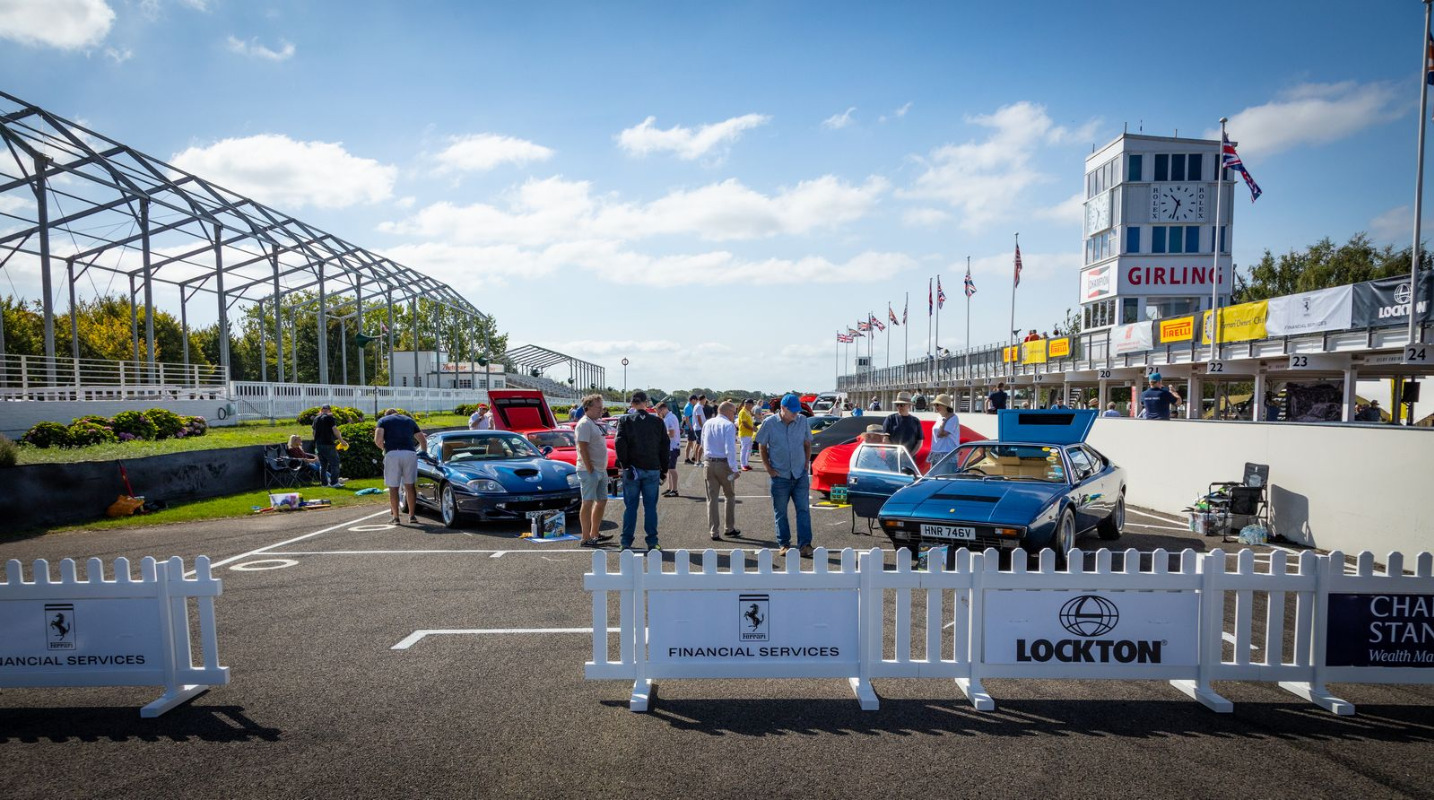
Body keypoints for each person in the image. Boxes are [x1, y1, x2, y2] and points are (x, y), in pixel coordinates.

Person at [755, 393, 814, 558]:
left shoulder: (802, 421)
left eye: (797, 410)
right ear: (782, 408)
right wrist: (768, 468)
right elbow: (762, 446)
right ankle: (784, 544)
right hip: (779, 476)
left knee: (803, 510)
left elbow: (807, 443)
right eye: (792, 410)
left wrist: (806, 463)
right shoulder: (769, 423)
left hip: (799, 474)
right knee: (780, 512)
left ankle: (805, 545)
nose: (796, 413)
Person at [614, 390, 668, 551]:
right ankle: (652, 541)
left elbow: (619, 443)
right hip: (652, 468)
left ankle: (625, 541)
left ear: (632, 403)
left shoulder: (625, 420)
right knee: (650, 507)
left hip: (632, 469)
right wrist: (664, 469)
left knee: (630, 506)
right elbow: (664, 447)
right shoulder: (657, 421)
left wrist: (624, 464)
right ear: (646, 403)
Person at [374, 408, 427, 525]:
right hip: (410, 453)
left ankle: (396, 517)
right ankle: (412, 516)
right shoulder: (409, 420)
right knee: (410, 486)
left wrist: (384, 448)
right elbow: (422, 440)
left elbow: (378, 440)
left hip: (392, 453)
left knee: (393, 487)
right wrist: (424, 452)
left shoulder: (383, 421)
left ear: (386, 415)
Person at [574, 394, 613, 548]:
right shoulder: (584, 424)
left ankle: (594, 533)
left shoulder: (593, 423)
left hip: (600, 469)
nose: (601, 410)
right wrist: (590, 467)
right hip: (589, 470)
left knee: (602, 501)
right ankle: (585, 537)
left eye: (601, 407)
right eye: (598, 407)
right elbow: (582, 447)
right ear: (588, 407)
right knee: (588, 502)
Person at [702, 401, 742, 541]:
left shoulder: (708, 423)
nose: (734, 415)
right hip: (724, 465)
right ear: (729, 412)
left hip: (709, 463)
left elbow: (702, 443)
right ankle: (729, 528)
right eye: (734, 412)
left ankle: (714, 531)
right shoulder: (729, 425)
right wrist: (735, 469)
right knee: (729, 495)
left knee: (712, 498)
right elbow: (730, 449)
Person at [311, 404, 346, 487]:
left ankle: (324, 484)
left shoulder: (316, 419)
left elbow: (314, 432)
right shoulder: (330, 418)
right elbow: (335, 430)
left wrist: (316, 442)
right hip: (328, 444)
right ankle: (334, 483)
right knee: (335, 463)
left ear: (321, 410)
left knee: (323, 465)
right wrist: (341, 440)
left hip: (318, 444)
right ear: (329, 410)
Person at [883, 392, 923, 457]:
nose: (899, 407)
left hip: (910, 458)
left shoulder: (916, 421)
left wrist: (910, 456)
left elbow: (920, 441)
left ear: (909, 406)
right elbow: (885, 439)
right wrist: (895, 453)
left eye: (902, 405)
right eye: (897, 405)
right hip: (892, 457)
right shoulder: (890, 419)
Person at [657, 400, 682, 497]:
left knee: (672, 469)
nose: (659, 414)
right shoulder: (669, 417)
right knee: (669, 468)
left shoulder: (670, 418)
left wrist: (660, 435)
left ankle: (675, 490)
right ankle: (670, 488)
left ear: (663, 409)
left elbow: (671, 433)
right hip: (671, 446)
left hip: (672, 447)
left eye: (659, 412)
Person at [929, 393, 960, 464]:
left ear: (945, 406)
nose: (935, 406)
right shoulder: (939, 417)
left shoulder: (953, 418)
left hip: (947, 453)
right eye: (935, 404)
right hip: (936, 452)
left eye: (937, 404)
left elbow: (941, 434)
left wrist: (945, 420)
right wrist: (945, 419)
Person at [736, 398, 757, 472]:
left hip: (749, 434)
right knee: (744, 450)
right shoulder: (743, 412)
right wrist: (752, 428)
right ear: (747, 404)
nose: (752, 406)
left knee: (748, 450)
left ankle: (746, 464)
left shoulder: (747, 411)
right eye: (751, 405)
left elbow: (749, 422)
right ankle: (743, 465)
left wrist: (754, 427)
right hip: (744, 433)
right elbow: (744, 423)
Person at [686, 394, 707, 464]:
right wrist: (702, 427)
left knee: (697, 444)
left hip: (697, 427)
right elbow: (699, 418)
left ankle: (695, 458)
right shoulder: (699, 407)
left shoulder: (697, 406)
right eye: (705, 399)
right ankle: (698, 460)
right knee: (701, 444)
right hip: (699, 428)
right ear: (703, 399)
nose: (705, 401)